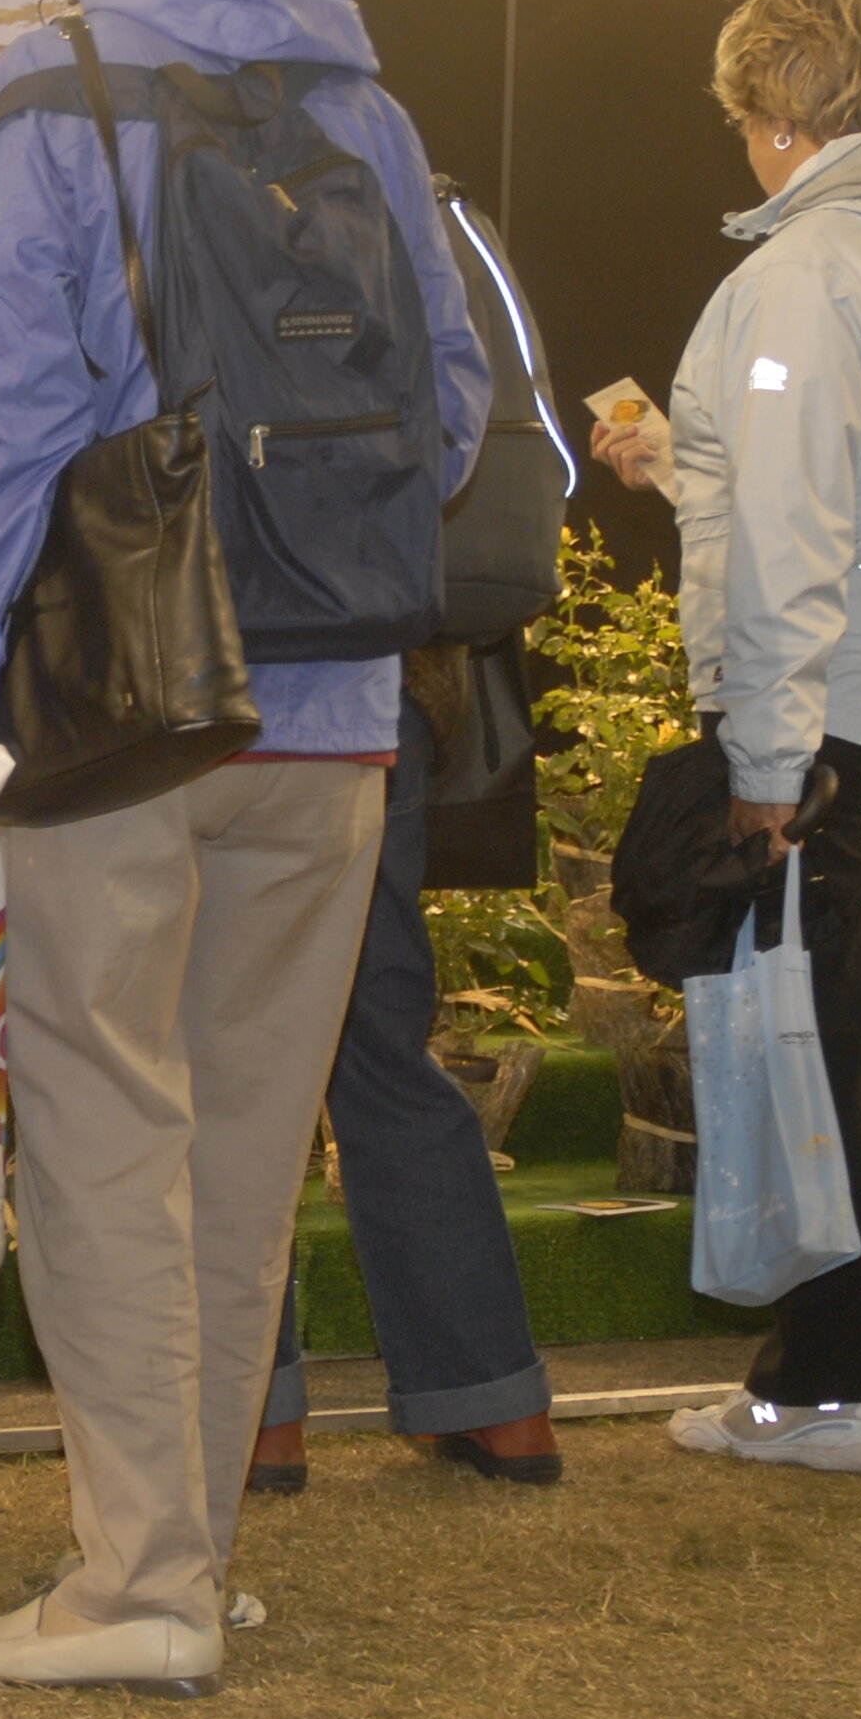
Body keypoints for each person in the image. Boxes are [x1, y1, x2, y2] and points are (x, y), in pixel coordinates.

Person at [0, 0, 491, 1693]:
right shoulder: (371, 112)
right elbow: (462, 415)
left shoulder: (54, 88)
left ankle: (136, 1584)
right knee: (245, 1148)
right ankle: (189, 1554)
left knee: (96, 1123)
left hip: (110, 703)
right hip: (331, 710)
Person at [594, 0, 861, 1476]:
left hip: (830, 706)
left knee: (825, 1050)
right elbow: (847, 483)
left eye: (740, 118)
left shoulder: (800, 271)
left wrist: (764, 763)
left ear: (772, 109)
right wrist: (681, 468)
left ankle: (832, 1388)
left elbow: (787, 537)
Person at [244, 641, 565, 1496]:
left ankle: (252, 1416)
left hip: (213, 685)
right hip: (379, 687)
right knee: (380, 1049)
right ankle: (494, 1398)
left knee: (228, 1063)